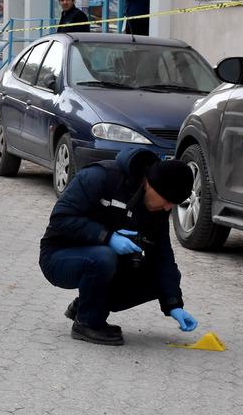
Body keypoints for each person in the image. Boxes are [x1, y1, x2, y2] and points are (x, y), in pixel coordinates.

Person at [39, 148, 198, 345]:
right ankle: (87, 323)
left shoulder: (156, 209)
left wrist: (173, 303)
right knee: (103, 257)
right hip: (58, 255)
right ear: (150, 185)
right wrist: (106, 236)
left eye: (172, 205)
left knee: (162, 277)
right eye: (167, 201)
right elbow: (61, 218)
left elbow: (162, 255)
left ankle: (86, 306)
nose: (167, 208)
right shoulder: (100, 177)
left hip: (103, 261)